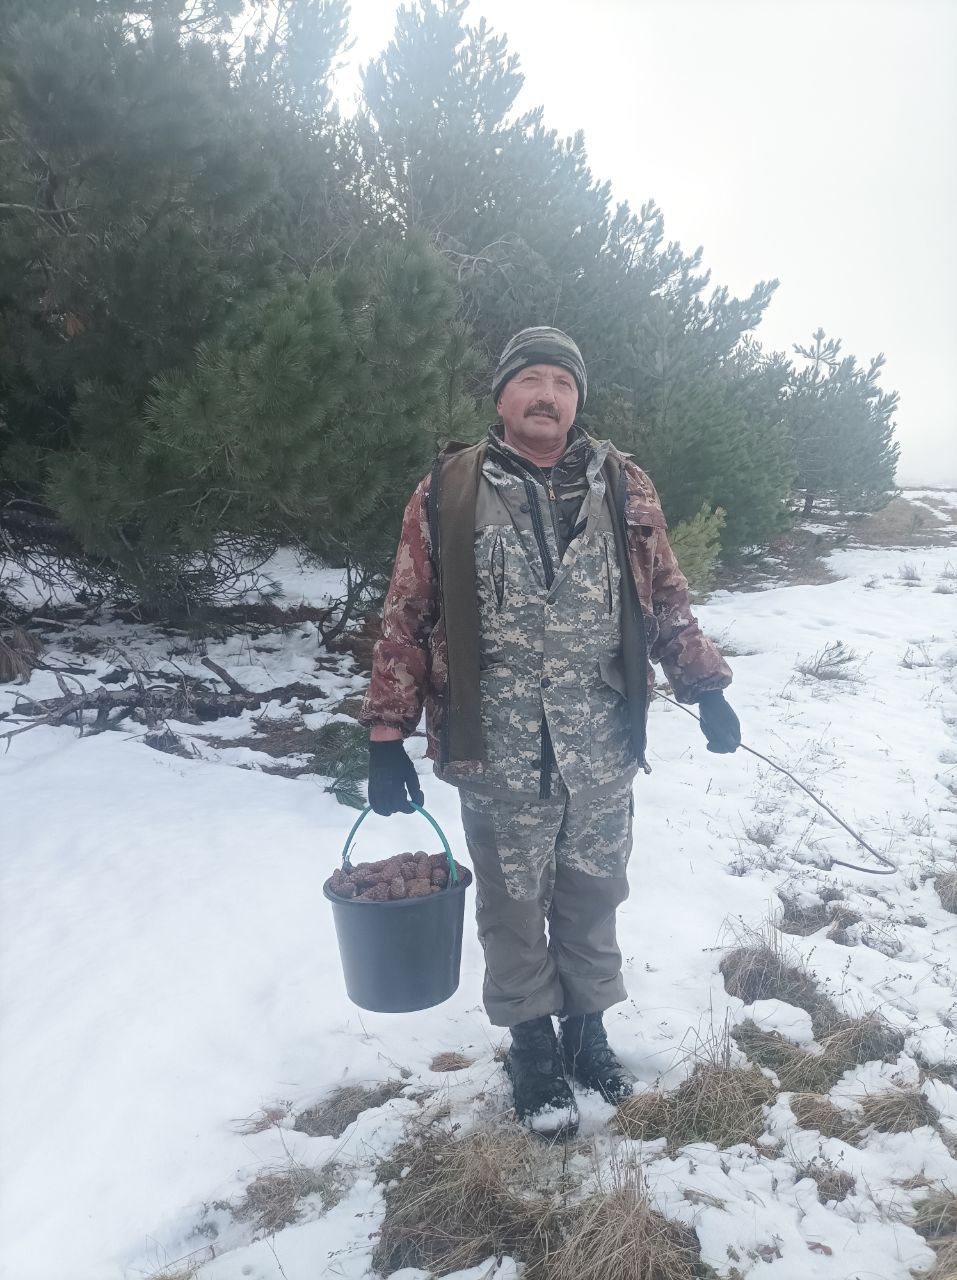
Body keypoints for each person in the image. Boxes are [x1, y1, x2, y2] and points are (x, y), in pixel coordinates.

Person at [360, 326, 740, 1139]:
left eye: (562, 383)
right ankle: (532, 1046)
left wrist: (704, 686)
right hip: (494, 745)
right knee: (511, 901)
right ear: (501, 395)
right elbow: (407, 611)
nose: (546, 395)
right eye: (530, 379)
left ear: (578, 399)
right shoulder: (447, 488)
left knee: (594, 891)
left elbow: (665, 597)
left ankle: (586, 1031)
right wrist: (385, 734)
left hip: (601, 739)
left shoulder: (624, 483)